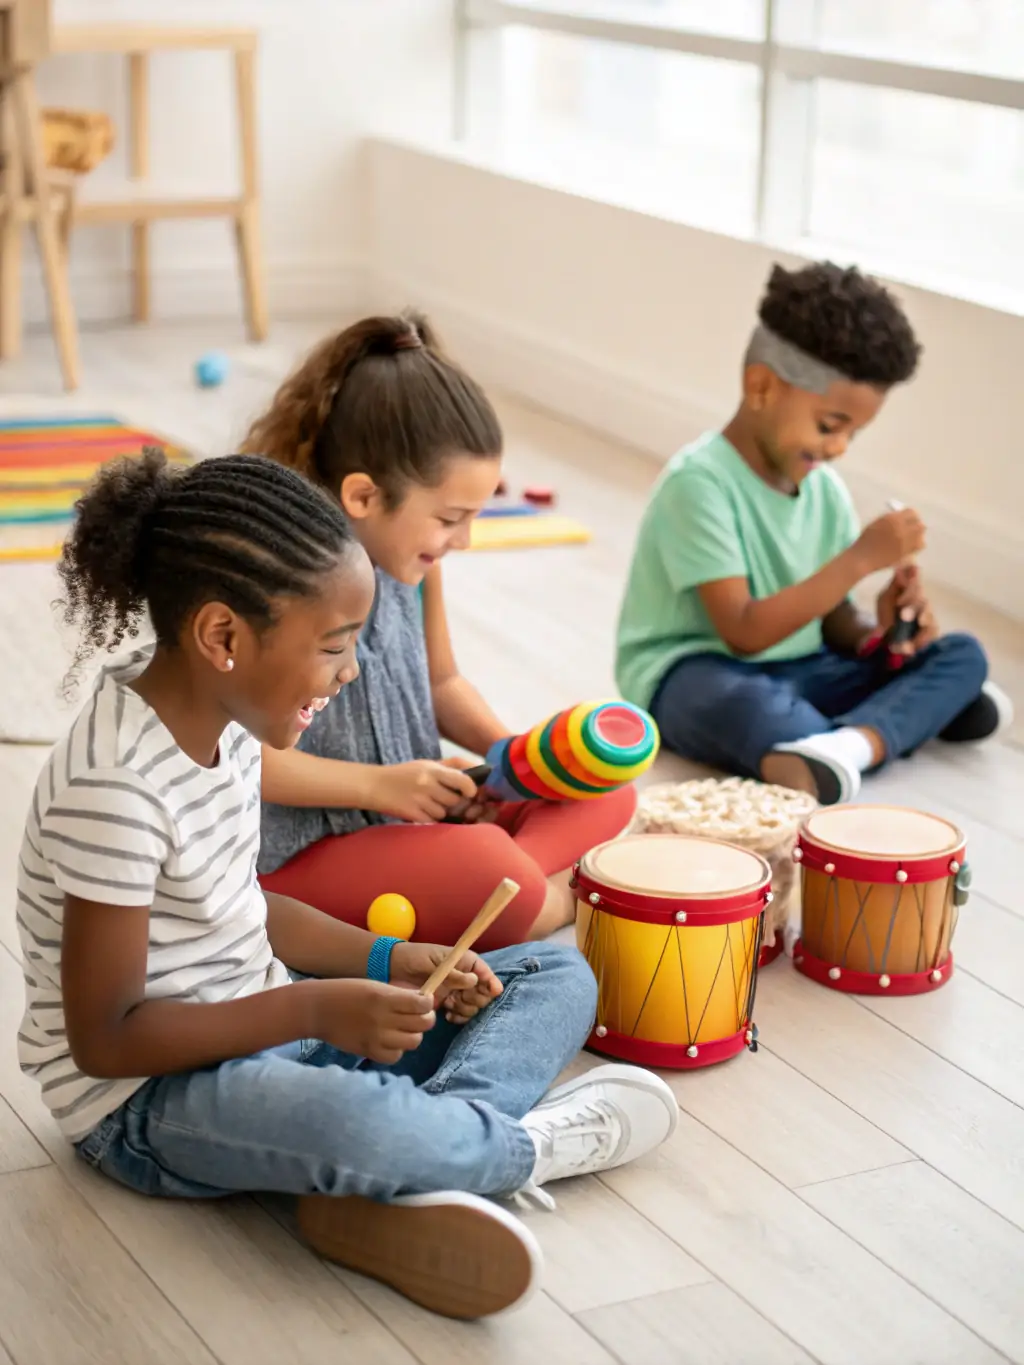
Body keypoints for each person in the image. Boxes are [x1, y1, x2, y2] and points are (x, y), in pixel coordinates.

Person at [16, 449, 678, 1321]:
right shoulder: (116, 790)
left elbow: (247, 911)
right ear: (223, 637)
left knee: (555, 974)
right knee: (361, 1123)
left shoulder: (221, 721)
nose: (351, 671)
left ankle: (410, 1175)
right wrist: (318, 1011)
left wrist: (391, 957)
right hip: (150, 1100)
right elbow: (107, 1043)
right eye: (332, 647)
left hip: (266, 1024)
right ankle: (514, 1148)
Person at [242, 313, 634, 944]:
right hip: (305, 856)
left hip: (415, 821)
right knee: (490, 864)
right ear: (364, 497)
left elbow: (442, 681)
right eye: (451, 517)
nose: (465, 539)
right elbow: (239, 757)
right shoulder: (276, 582)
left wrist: (519, 759)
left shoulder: (411, 565)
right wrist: (379, 786)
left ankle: (500, 894)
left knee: (607, 790)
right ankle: (544, 899)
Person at [616, 261, 1012, 804]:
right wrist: (859, 559)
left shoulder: (824, 490)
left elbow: (833, 620)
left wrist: (878, 633)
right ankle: (888, 726)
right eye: (830, 426)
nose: (839, 448)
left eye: (854, 432)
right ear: (761, 388)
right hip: (698, 672)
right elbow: (743, 632)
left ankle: (846, 745)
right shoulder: (698, 483)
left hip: (800, 670)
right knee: (748, 708)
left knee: (963, 654)